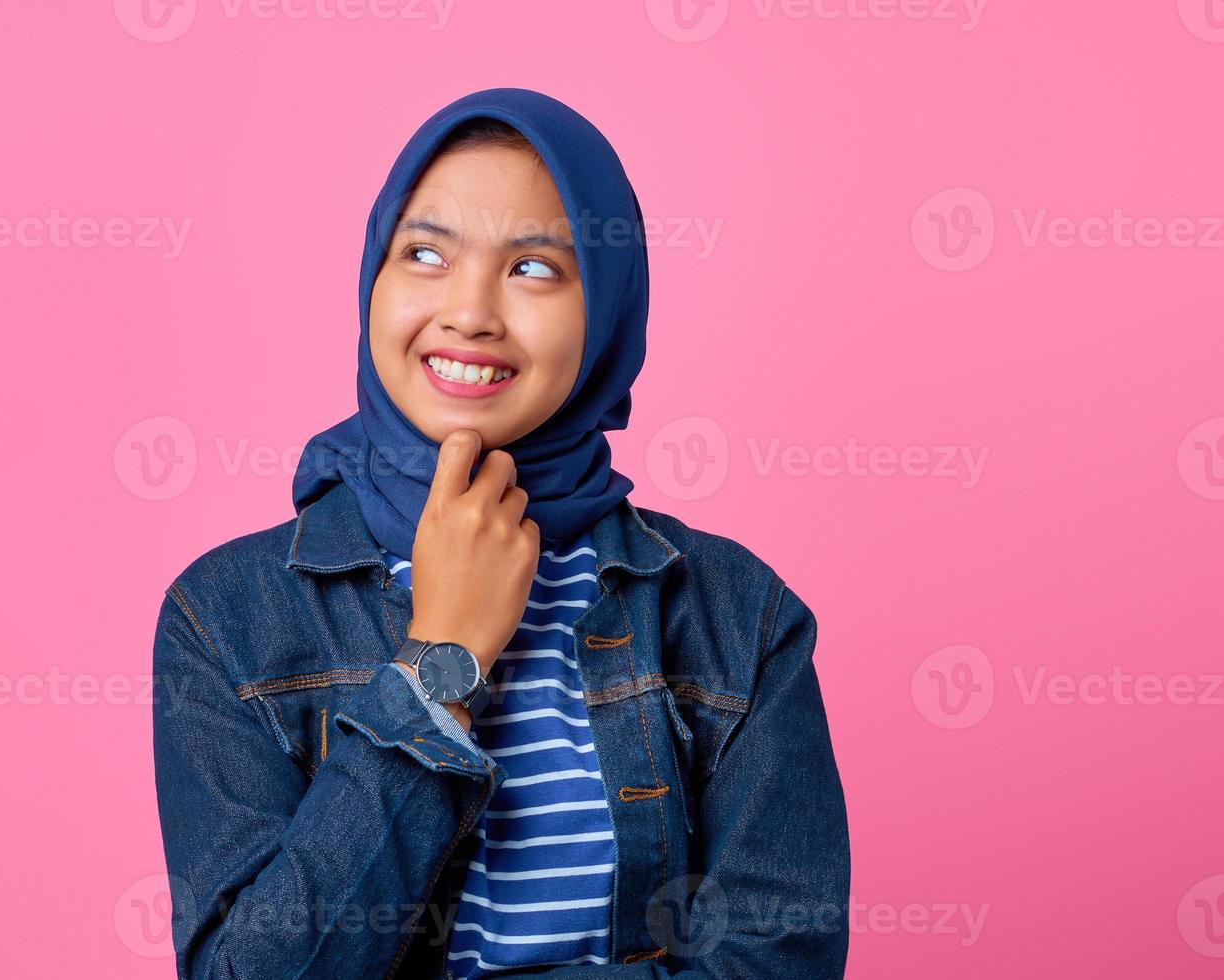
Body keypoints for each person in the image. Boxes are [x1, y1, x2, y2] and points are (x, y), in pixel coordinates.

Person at [151, 87, 850, 980]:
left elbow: (777, 961)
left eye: (531, 269)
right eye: (426, 254)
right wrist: (440, 657)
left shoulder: (733, 615)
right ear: (374, 278)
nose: (470, 311)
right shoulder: (227, 617)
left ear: (607, 312)